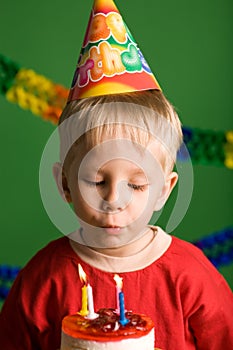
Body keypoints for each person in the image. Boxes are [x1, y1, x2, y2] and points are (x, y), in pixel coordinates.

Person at [1, 0, 233, 349]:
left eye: (137, 184)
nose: (114, 200)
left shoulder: (192, 278)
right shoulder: (42, 280)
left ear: (164, 190)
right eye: (97, 181)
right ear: (64, 183)